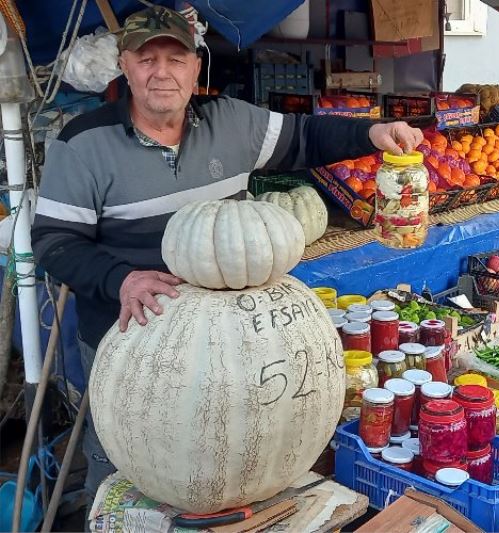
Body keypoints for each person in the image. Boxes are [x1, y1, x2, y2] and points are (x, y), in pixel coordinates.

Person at [30, 5, 423, 506]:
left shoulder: (233, 123)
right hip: (133, 343)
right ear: (124, 66)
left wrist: (372, 133)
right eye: (146, 59)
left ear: (196, 67)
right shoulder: (82, 143)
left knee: (229, 458)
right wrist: (121, 280)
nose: (162, 72)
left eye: (175, 59)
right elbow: (54, 243)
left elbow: (305, 137)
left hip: (230, 350)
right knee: (128, 469)